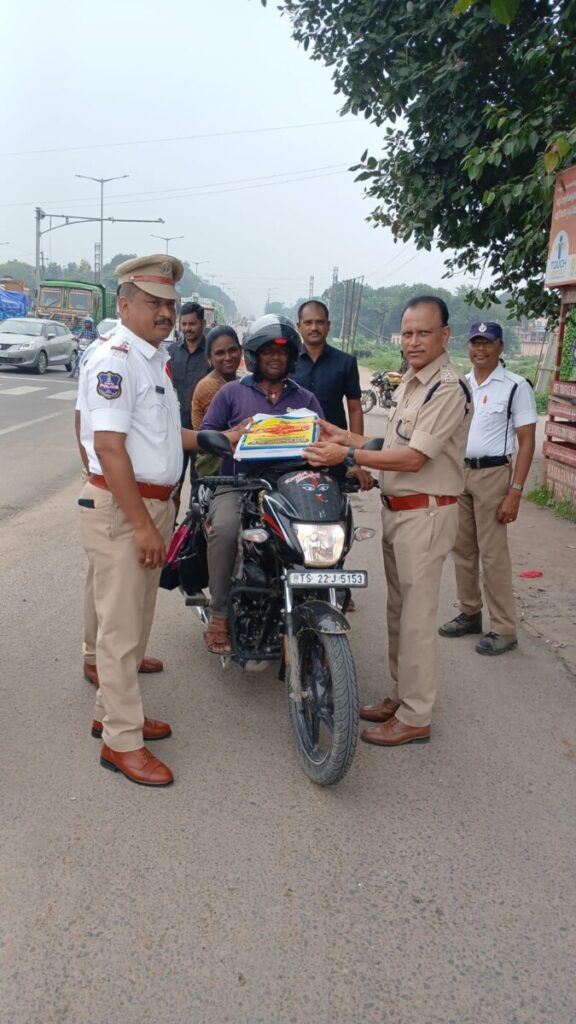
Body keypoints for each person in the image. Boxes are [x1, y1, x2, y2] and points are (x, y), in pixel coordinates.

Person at [304, 296, 471, 747]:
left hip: (427, 511)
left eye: (424, 333)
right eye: (408, 333)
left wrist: (349, 454)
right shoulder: (414, 383)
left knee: (417, 618)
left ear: (444, 335)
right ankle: (402, 695)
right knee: (399, 613)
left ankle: (417, 716)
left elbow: (414, 457)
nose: (414, 342)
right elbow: (392, 441)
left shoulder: (447, 388)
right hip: (399, 512)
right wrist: (348, 436)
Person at [77, 253, 197, 787]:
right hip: (129, 511)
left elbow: (160, 439)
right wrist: (145, 525)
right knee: (122, 631)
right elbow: (109, 447)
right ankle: (121, 743)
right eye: (154, 302)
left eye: (170, 303)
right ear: (124, 304)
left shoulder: (154, 361)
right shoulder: (117, 359)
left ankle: (113, 711)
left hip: (152, 505)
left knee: (137, 621)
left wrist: (225, 437)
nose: (166, 311)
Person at [200, 314, 323, 654]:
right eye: (267, 351)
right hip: (238, 483)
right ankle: (220, 613)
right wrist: (233, 435)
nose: (275, 357)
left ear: (291, 357)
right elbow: (206, 435)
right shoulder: (230, 393)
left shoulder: (307, 400)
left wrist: (350, 463)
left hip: (292, 487)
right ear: (254, 356)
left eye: (282, 352)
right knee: (224, 529)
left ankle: (322, 598)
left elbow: (326, 441)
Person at [439, 321, 537, 655]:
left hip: (494, 476)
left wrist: (516, 491)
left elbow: (526, 444)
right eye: (475, 342)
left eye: (488, 343)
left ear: (500, 347)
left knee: (493, 555)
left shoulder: (515, 386)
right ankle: (469, 613)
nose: (480, 349)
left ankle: (504, 628)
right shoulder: (459, 384)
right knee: (462, 550)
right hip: (459, 474)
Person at [294, 300, 363, 432]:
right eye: (308, 322)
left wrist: (355, 448)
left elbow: (355, 410)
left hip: (335, 442)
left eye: (320, 322)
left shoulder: (346, 362)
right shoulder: (288, 362)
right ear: (299, 326)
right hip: (295, 441)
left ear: (328, 325)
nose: (314, 327)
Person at [168, 301, 210, 490]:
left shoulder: (212, 354)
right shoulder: (170, 353)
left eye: (192, 324)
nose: (187, 328)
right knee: (171, 484)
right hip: (174, 431)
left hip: (203, 432)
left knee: (200, 485)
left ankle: (196, 520)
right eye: (183, 324)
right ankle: (170, 520)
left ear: (203, 324)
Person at [192, 325, 243, 477]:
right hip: (214, 470)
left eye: (232, 350)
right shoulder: (210, 386)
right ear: (209, 358)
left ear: (241, 350)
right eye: (220, 353)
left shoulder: (238, 381)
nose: (228, 357)